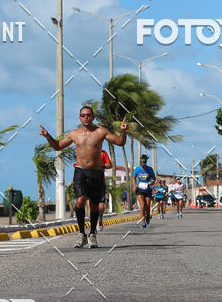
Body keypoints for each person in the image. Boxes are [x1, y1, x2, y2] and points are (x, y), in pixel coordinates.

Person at [39, 106, 127, 248]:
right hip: (80, 171)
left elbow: (119, 142)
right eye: (83, 115)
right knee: (80, 201)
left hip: (96, 172)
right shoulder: (74, 134)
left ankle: (92, 234)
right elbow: (58, 146)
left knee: (93, 206)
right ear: (79, 117)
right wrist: (47, 135)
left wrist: (123, 132)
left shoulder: (101, 131)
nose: (86, 117)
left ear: (92, 117)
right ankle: (81, 234)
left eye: (88, 115)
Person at [133, 154, 156, 227]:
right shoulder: (137, 169)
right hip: (139, 189)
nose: (143, 165)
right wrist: (134, 185)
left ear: (146, 162)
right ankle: (143, 221)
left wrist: (152, 182)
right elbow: (134, 177)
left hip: (147, 189)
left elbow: (154, 178)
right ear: (140, 163)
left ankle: (148, 215)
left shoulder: (149, 169)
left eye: (144, 163)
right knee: (142, 205)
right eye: (142, 163)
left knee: (148, 205)